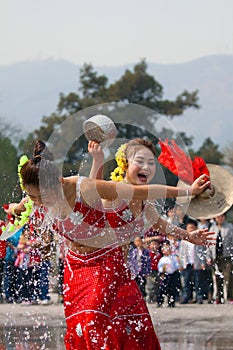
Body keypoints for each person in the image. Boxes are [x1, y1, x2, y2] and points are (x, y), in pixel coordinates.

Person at [6, 139, 214, 350]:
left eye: (42, 196)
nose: (38, 201)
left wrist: (189, 194)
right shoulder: (37, 196)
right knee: (80, 327)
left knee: (93, 324)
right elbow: (22, 206)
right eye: (33, 196)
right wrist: (15, 209)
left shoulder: (83, 187)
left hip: (105, 262)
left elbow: (146, 196)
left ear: (58, 181)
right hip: (75, 268)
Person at [207, 213, 233, 304]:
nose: (220, 218)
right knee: (217, 277)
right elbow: (209, 244)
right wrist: (208, 256)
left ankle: (231, 297)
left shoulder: (230, 227)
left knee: (228, 277)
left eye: (222, 216)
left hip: (227, 256)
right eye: (218, 217)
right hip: (215, 256)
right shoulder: (212, 228)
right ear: (215, 218)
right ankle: (219, 297)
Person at [157, 240, 180, 307]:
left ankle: (171, 302)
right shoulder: (162, 259)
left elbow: (176, 266)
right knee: (162, 289)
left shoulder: (173, 258)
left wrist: (178, 265)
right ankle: (160, 301)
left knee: (172, 289)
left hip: (172, 274)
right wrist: (162, 271)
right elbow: (160, 267)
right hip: (165, 274)